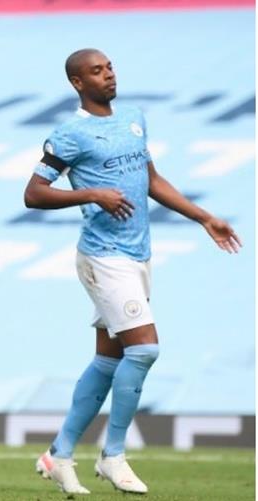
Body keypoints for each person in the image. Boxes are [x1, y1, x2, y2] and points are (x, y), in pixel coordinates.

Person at [23, 49, 241, 495]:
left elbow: (151, 180)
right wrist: (91, 194)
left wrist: (204, 217)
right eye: (96, 71)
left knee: (109, 360)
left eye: (109, 68)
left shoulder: (134, 118)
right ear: (78, 83)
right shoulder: (69, 135)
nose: (108, 75)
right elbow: (34, 193)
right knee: (144, 350)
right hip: (103, 257)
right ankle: (113, 455)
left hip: (138, 255)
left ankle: (60, 455)